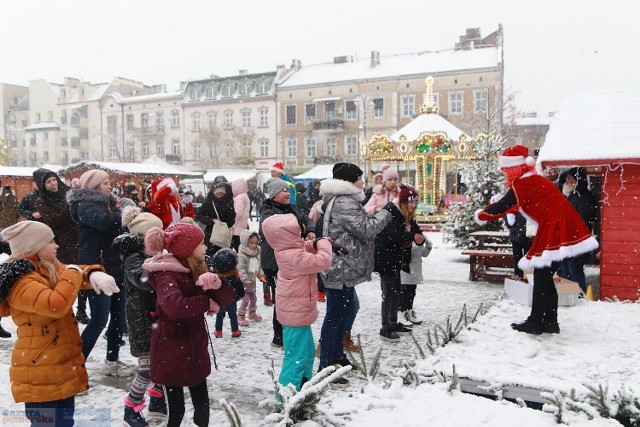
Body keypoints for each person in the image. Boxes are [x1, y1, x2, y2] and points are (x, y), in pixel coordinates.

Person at [0, 221, 118, 426]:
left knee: (64, 423)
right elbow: (55, 304)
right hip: (39, 371)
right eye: (50, 242)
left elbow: (70, 272)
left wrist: (92, 273)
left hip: (58, 366)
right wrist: (74, 272)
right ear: (34, 246)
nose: (56, 246)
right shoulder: (21, 281)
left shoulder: (45, 267)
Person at [475, 145, 599, 335]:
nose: (504, 173)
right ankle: (549, 321)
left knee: (542, 276)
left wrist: (481, 215)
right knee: (544, 276)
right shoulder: (533, 180)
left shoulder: (522, 184)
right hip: (560, 226)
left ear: (514, 168)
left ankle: (537, 322)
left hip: (555, 229)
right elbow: (515, 206)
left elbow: (503, 205)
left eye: (506, 169)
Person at [142, 222, 235, 427]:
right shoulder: (166, 274)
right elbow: (174, 306)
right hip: (171, 350)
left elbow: (230, 297)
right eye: (201, 244)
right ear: (187, 248)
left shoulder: (197, 268)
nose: (206, 248)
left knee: (202, 405)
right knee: (176, 410)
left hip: (194, 347)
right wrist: (206, 302)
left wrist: (218, 284)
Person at [317, 163, 393, 384]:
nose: (363, 182)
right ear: (350, 181)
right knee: (335, 315)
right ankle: (326, 366)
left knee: (345, 310)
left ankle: (337, 355)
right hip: (339, 268)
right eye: (359, 178)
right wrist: (387, 212)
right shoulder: (344, 202)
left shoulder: (342, 200)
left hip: (343, 267)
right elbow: (366, 229)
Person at [67, 169, 133, 376]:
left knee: (118, 317)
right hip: (97, 266)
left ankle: (112, 361)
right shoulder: (85, 205)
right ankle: (75, 366)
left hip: (115, 264)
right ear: (94, 186)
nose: (109, 185)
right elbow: (105, 223)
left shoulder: (109, 202)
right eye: (105, 183)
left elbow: (117, 226)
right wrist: (124, 216)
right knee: (99, 319)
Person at [262, 213, 333, 391]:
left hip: (297, 314)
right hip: (295, 315)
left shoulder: (287, 250)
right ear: (289, 234)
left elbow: (303, 247)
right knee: (296, 358)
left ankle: (301, 388)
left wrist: (316, 242)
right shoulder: (294, 257)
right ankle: (286, 398)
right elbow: (323, 260)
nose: (301, 230)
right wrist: (324, 244)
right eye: (297, 229)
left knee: (307, 353)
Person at [113, 207, 168, 426]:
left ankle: (157, 399)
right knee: (146, 369)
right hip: (141, 322)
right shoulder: (133, 258)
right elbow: (143, 280)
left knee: (162, 363)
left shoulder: (158, 255)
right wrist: (166, 270)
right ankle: (131, 407)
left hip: (157, 318)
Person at [259, 178, 316, 347]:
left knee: (289, 296)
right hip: (273, 261)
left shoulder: (291, 208)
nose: (287, 193)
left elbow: (306, 219)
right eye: (283, 190)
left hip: (288, 259)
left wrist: (310, 229)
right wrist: (301, 229)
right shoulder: (268, 211)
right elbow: (279, 231)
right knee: (282, 298)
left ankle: (288, 330)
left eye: (288, 190)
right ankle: (279, 335)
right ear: (275, 194)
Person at [33, 168, 89, 325]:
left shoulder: (67, 192)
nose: (53, 184)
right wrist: (70, 202)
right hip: (63, 243)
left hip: (80, 237)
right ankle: (64, 310)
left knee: (82, 271)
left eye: (54, 180)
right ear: (42, 185)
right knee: (69, 276)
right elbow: (56, 220)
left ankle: (82, 309)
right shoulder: (42, 202)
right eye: (48, 182)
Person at [374, 183, 425, 342]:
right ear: (402, 202)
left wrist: (419, 237)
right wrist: (411, 238)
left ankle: (394, 323)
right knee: (389, 292)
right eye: (409, 202)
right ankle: (385, 327)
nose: (412, 205)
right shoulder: (392, 212)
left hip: (395, 257)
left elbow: (416, 230)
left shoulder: (407, 214)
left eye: (414, 202)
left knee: (396, 290)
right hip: (385, 257)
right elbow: (394, 237)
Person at [556, 167, 598, 292]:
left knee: (574, 268)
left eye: (571, 178)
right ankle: (569, 293)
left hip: (577, 239)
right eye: (566, 178)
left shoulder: (584, 196)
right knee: (564, 268)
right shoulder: (567, 195)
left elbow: (584, 218)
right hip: (565, 238)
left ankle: (579, 294)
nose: (567, 181)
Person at [196, 176, 236, 257]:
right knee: (210, 257)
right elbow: (199, 216)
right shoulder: (209, 202)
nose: (219, 196)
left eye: (221, 194)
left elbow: (231, 221)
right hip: (211, 235)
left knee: (224, 258)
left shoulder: (229, 201)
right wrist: (211, 220)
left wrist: (229, 210)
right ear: (214, 192)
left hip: (224, 234)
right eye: (217, 193)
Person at [399, 234, 433, 326]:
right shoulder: (405, 238)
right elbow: (407, 252)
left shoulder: (419, 239)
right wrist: (417, 243)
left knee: (412, 293)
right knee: (405, 294)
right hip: (406, 271)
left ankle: (410, 312)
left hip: (416, 272)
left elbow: (424, 254)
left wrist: (427, 243)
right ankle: (402, 313)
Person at [210, 248, 243, 338]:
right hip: (231, 300)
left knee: (219, 316)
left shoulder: (216, 278)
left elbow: (213, 290)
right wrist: (238, 296)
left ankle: (218, 331)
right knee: (233, 316)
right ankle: (235, 331)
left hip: (220, 301)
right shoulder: (234, 278)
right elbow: (240, 289)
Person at [237, 230, 266, 326]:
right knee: (245, 300)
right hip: (243, 282)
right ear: (246, 243)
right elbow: (240, 269)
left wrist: (261, 275)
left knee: (254, 299)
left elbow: (258, 266)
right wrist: (245, 279)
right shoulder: (242, 255)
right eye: (251, 243)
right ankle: (240, 316)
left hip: (252, 281)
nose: (254, 245)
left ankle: (252, 313)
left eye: (255, 243)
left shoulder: (255, 254)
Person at [231, 178, 250, 252]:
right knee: (240, 248)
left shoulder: (240, 197)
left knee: (238, 248)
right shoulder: (244, 196)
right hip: (242, 226)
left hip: (237, 227)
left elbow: (238, 212)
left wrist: (232, 221)